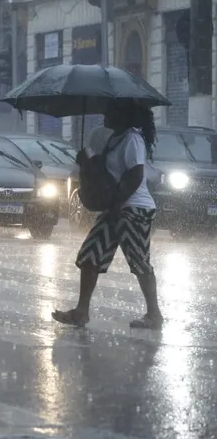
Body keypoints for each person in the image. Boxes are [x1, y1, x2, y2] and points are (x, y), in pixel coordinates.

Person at [52, 100, 163, 330]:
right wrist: (87, 162)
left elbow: (136, 175)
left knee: (139, 260)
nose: (105, 113)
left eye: (111, 110)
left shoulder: (132, 139)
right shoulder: (115, 139)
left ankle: (154, 315)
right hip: (114, 208)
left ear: (123, 114)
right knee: (91, 255)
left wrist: (116, 206)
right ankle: (81, 312)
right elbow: (106, 175)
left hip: (134, 209)